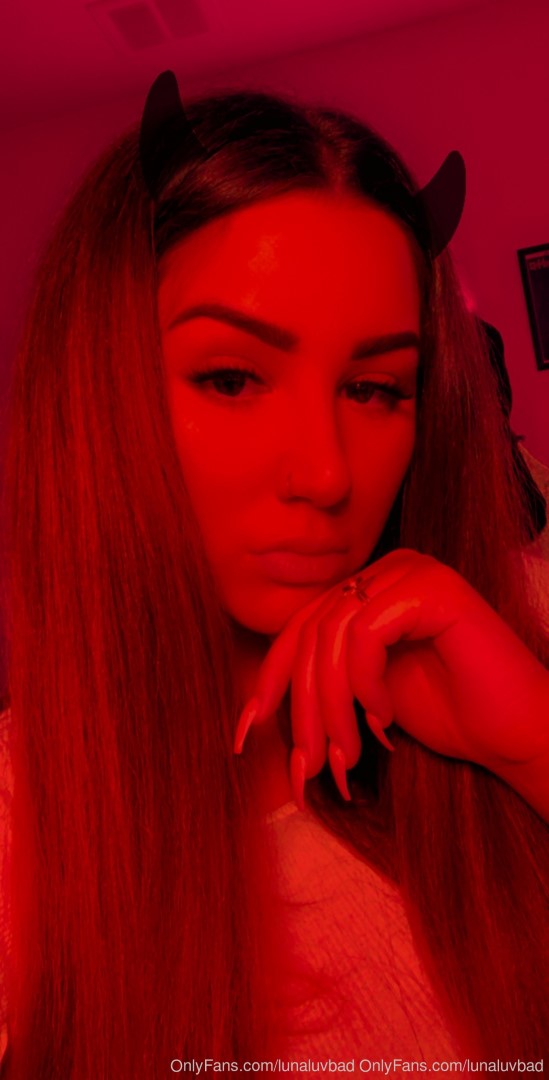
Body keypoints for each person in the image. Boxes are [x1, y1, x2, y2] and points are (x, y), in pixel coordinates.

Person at [0, 70, 548, 1076]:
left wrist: (532, 748)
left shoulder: (513, 646)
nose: (328, 475)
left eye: (375, 389)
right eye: (232, 378)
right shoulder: (19, 830)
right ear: (97, 393)